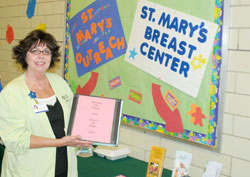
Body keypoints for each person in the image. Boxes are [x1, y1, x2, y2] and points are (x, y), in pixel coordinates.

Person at [0, 30, 91, 177]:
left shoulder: (59, 83)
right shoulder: (11, 93)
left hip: (64, 167)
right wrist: (59, 142)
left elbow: (76, 116)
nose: (41, 56)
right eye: (34, 51)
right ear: (25, 55)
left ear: (52, 56)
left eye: (46, 51)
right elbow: (15, 140)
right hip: (29, 170)